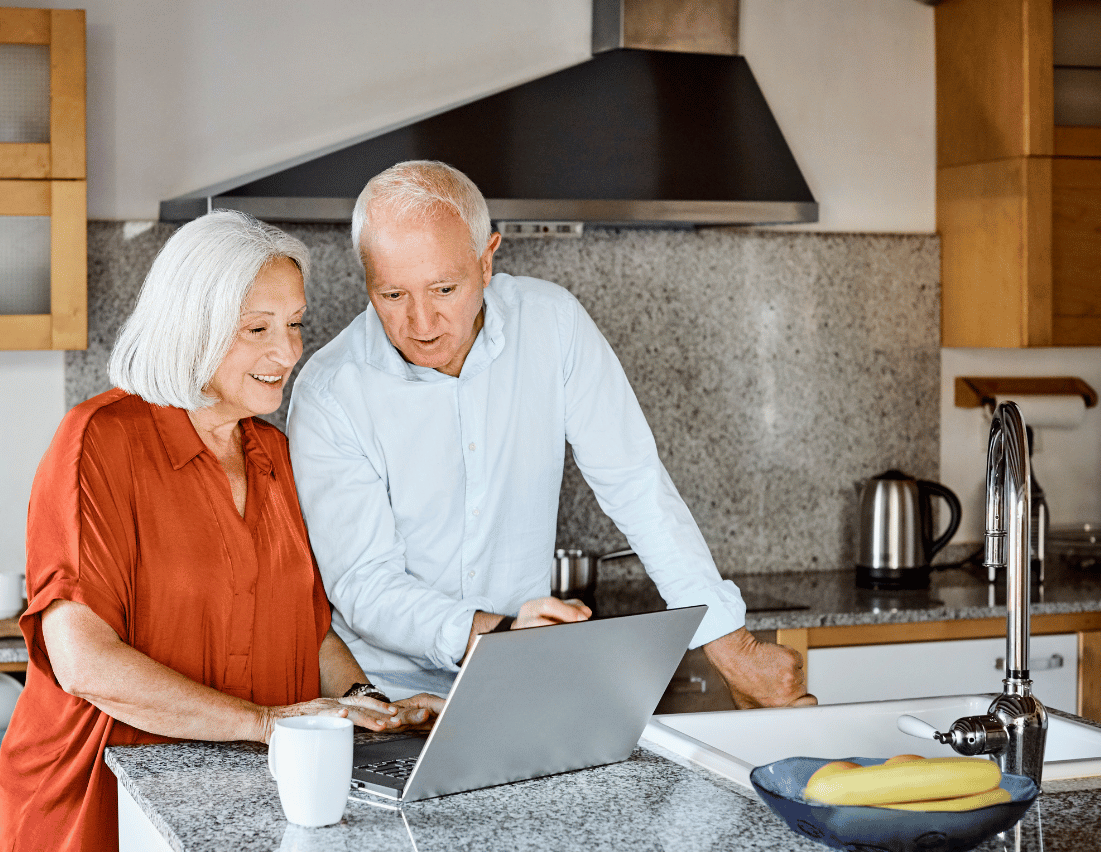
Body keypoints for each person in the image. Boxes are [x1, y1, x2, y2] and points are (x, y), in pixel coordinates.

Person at [286, 160, 816, 708]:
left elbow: (634, 484)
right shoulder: (330, 393)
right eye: (392, 295)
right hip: (390, 702)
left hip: (519, 687)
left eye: (444, 289)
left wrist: (733, 646)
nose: (421, 325)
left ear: (487, 260)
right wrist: (498, 634)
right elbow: (365, 585)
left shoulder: (551, 324)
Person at [0, 211, 442, 852]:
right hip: (101, 802)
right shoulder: (101, 441)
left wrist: (366, 705)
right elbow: (82, 660)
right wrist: (265, 725)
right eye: (256, 330)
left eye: (293, 325)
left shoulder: (278, 456)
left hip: (246, 797)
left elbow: (308, 629)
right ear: (191, 327)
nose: (287, 353)